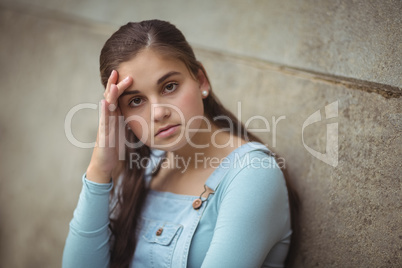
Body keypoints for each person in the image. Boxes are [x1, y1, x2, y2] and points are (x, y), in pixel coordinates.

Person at [62, 19, 297, 268]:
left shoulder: (251, 175)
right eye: (136, 101)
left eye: (169, 86)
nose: (158, 112)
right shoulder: (144, 167)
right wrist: (100, 169)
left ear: (201, 80)